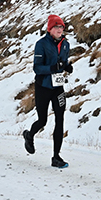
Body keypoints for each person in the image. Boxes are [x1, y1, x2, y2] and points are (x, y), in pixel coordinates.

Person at [23, 14, 73, 168]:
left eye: (61, 27)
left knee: (60, 119)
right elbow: (37, 68)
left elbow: (62, 62)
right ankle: (29, 135)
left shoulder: (66, 44)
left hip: (58, 88)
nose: (60, 30)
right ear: (50, 29)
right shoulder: (41, 44)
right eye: (56, 27)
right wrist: (52, 68)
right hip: (43, 86)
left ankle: (56, 157)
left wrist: (67, 67)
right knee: (43, 120)